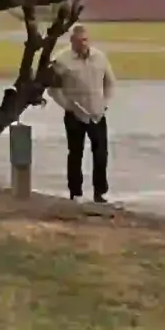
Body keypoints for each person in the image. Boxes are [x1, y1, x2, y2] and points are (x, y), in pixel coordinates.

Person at [48, 23, 117, 204]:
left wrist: (106, 103)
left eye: (86, 40)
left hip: (97, 113)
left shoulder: (99, 57)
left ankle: (100, 192)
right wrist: (67, 106)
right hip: (75, 114)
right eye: (80, 41)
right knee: (76, 153)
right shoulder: (61, 61)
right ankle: (75, 191)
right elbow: (53, 89)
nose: (84, 44)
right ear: (72, 41)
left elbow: (110, 82)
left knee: (101, 153)